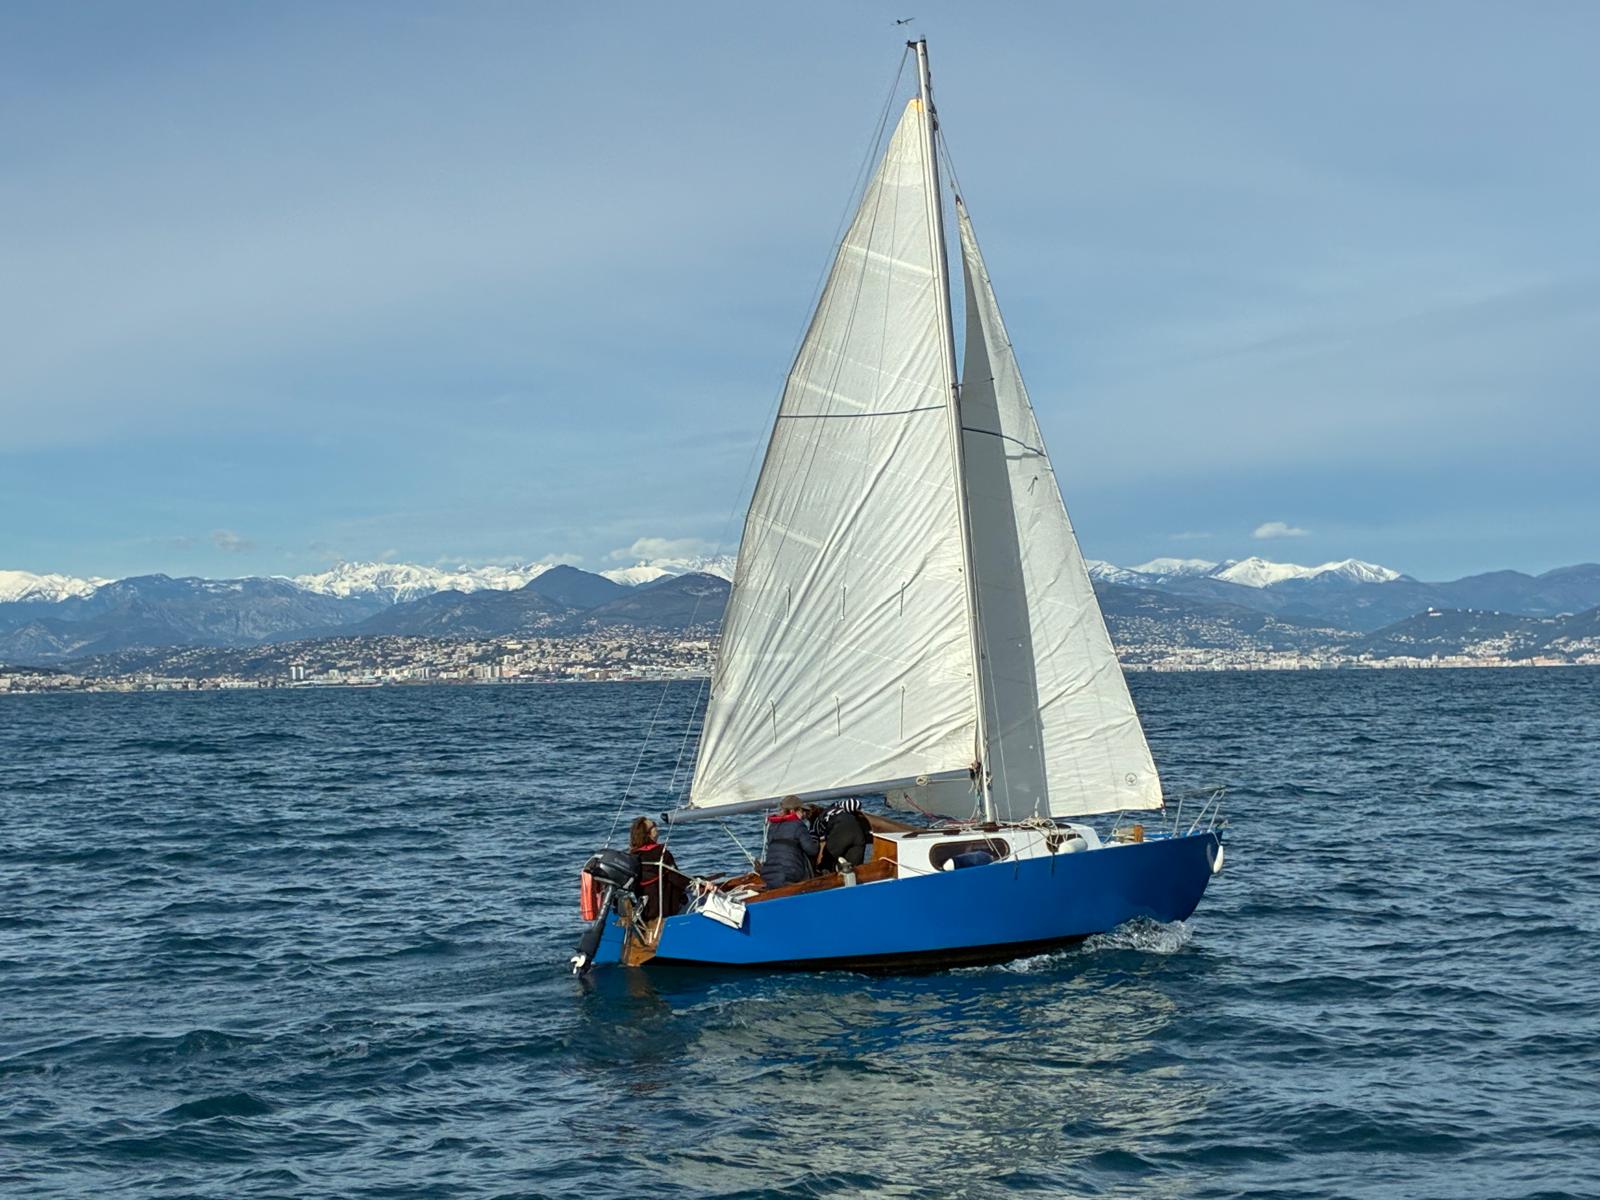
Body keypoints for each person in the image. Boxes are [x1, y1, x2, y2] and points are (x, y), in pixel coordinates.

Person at [628, 816, 687, 922]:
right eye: (654, 825)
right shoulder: (662, 854)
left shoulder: (633, 856)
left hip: (645, 909)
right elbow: (679, 880)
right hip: (666, 909)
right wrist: (701, 883)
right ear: (648, 834)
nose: (657, 827)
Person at [759, 795, 819, 889]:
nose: (803, 814)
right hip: (791, 874)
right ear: (793, 811)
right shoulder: (798, 825)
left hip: (768, 874)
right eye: (801, 811)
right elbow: (812, 850)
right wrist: (816, 840)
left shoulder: (772, 826)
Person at [816, 797, 872, 870]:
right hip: (857, 828)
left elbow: (820, 833)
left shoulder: (825, 814)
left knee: (830, 855)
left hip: (840, 826)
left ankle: (824, 870)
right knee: (855, 862)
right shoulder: (849, 815)